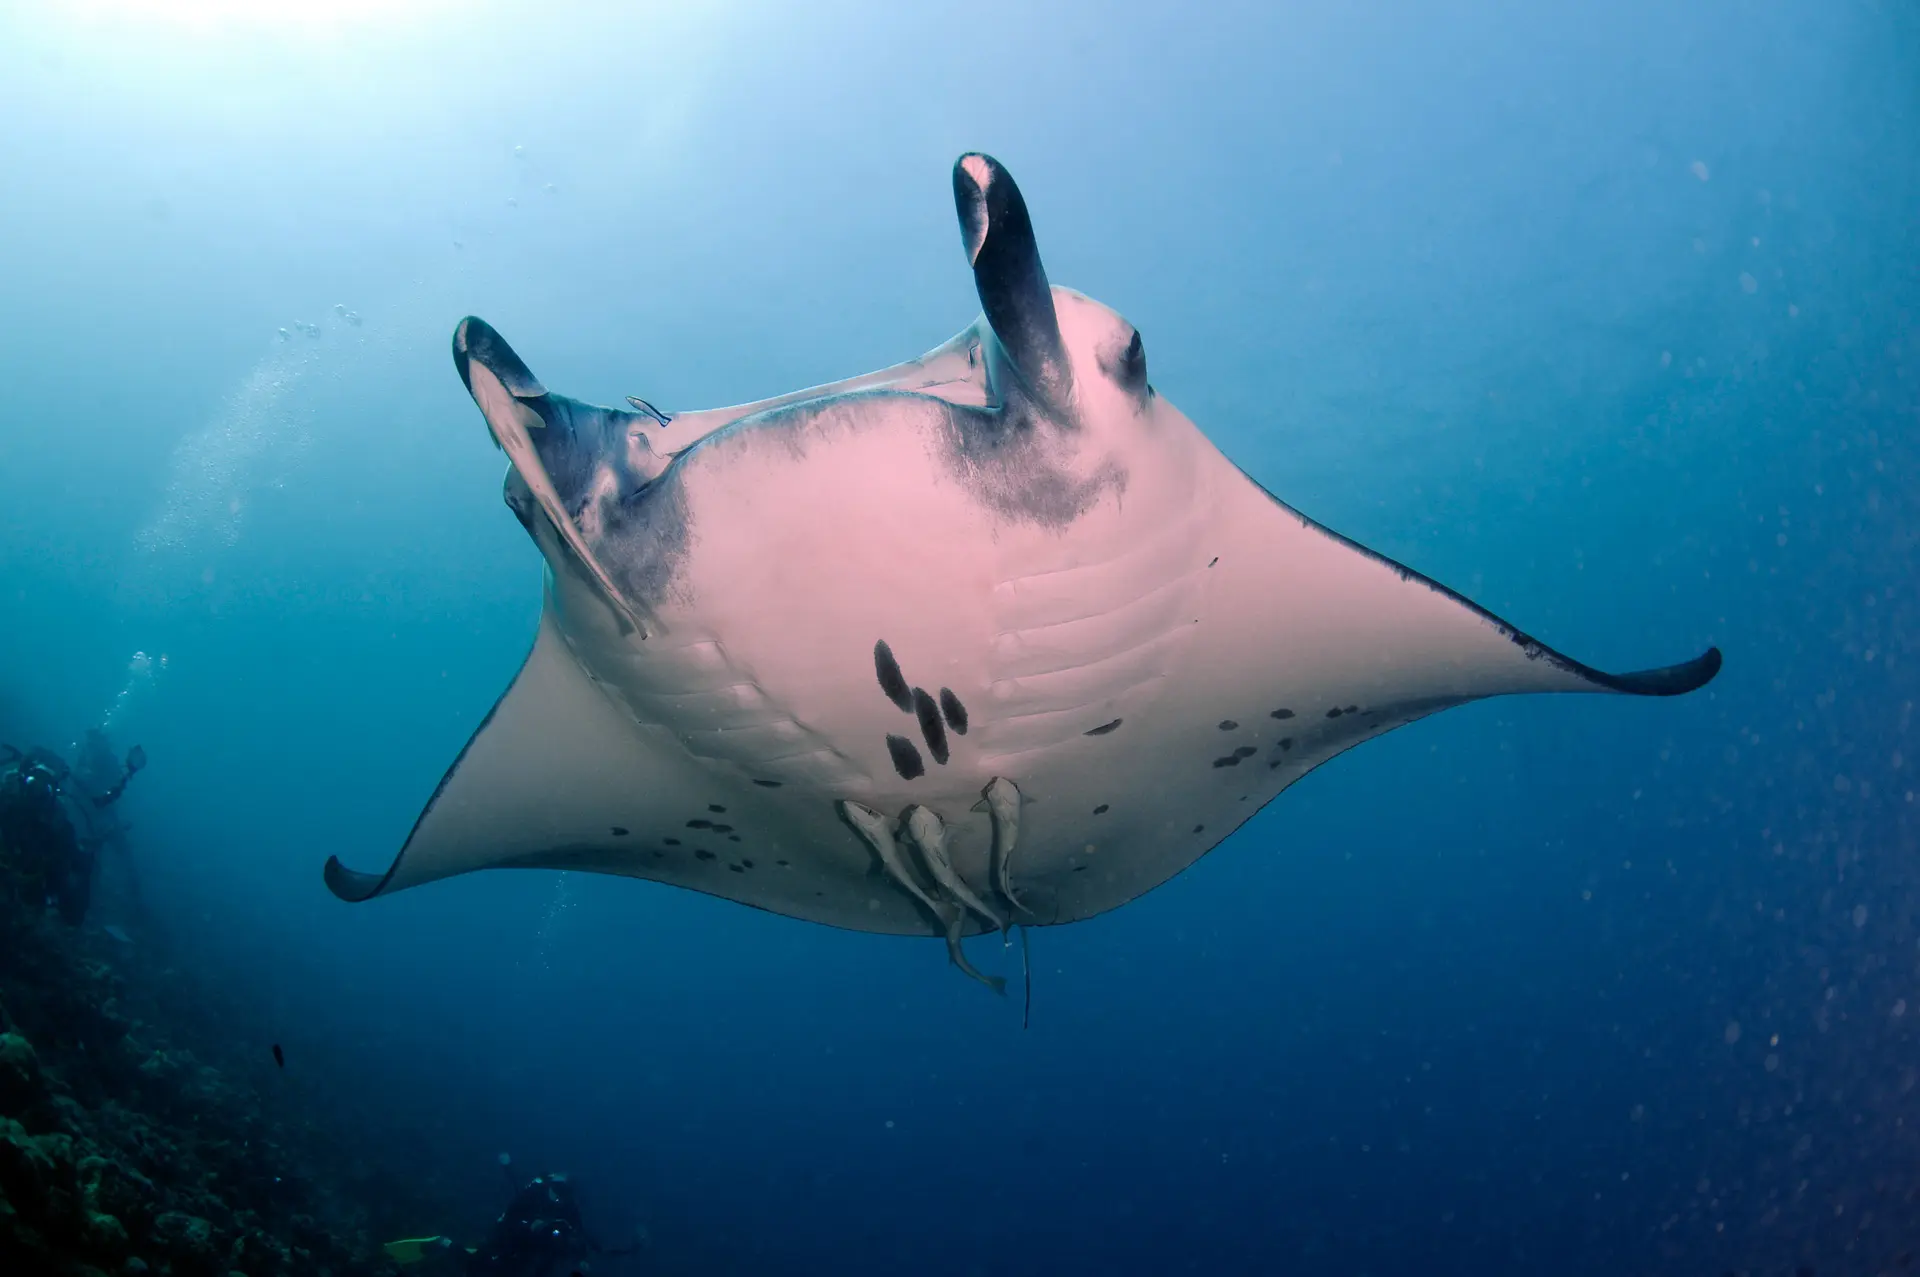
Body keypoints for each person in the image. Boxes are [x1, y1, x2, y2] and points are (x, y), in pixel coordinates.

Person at [387, 1169, 637, 1277]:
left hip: (526, 1252)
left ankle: (478, 1254)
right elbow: (513, 1218)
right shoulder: (539, 1192)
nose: (562, 1197)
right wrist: (534, 1226)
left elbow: (577, 1232)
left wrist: (581, 1253)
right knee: (481, 1268)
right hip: (510, 1239)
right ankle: (443, 1243)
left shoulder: (566, 1205)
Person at [0, 741, 144, 926]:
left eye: (44, 789)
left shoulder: (57, 824)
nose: (36, 794)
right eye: (33, 784)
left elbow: (73, 912)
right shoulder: (10, 804)